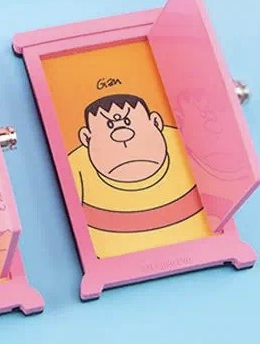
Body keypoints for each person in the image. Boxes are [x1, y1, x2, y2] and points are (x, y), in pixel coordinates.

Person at [68, 94, 210, 257]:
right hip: (114, 255)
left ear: (156, 122)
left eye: (128, 122)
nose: (122, 135)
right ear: (86, 138)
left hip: (198, 243)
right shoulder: (77, 164)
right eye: (109, 125)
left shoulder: (178, 140)